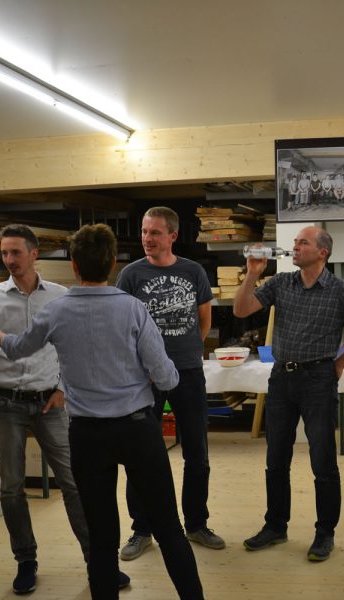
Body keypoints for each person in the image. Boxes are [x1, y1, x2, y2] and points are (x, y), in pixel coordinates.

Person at [0, 224, 204, 599]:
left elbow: (15, 349)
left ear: (74, 265)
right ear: (113, 263)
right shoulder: (133, 309)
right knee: (168, 529)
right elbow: (166, 377)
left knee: (101, 538)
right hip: (137, 430)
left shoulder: (57, 311)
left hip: (87, 435)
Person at [0, 224, 127, 594]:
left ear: (34, 254)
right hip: (5, 402)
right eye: (4, 253)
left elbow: (76, 348)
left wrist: (62, 387)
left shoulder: (61, 297)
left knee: (74, 483)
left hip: (50, 402)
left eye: (16, 252)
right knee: (11, 489)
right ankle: (25, 560)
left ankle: (98, 562)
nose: (9, 260)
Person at [233, 226, 344, 562]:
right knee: (276, 459)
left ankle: (325, 533)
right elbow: (241, 310)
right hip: (282, 379)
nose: (295, 247)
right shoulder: (281, 283)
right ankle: (275, 526)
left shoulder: (341, 290)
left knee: (323, 460)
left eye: (303, 242)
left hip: (318, 379)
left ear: (323, 252)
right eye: (295, 242)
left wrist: (340, 364)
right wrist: (252, 274)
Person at [116, 206, 222, 560]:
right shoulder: (131, 275)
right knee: (141, 454)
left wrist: (186, 352)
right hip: (143, 377)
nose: (147, 239)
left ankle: (196, 524)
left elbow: (204, 319)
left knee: (197, 453)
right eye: (144, 232)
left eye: (155, 233)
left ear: (173, 236)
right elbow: (122, 325)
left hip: (187, 373)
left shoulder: (193, 272)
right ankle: (141, 529)